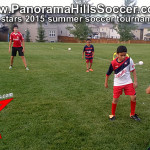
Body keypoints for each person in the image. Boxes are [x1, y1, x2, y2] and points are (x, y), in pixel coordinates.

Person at [105, 46, 140, 121]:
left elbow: (133, 70)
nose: (123, 57)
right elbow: (108, 73)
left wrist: (135, 81)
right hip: (118, 83)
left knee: (133, 97)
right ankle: (113, 114)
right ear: (117, 54)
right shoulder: (113, 63)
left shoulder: (129, 60)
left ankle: (132, 114)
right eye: (121, 55)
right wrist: (106, 83)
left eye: (125, 55)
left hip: (128, 82)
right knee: (115, 99)